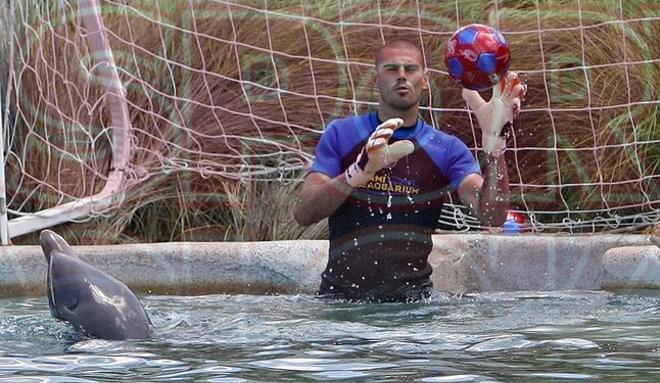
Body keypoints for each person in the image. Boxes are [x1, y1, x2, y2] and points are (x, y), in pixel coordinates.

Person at [294, 40, 525, 302]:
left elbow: (491, 216)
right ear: (376, 79)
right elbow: (304, 212)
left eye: (411, 69)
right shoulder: (342, 134)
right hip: (340, 303)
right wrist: (357, 173)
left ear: (425, 81)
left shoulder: (445, 148)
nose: (402, 75)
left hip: (414, 309)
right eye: (391, 69)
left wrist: (496, 149)